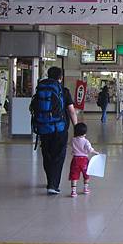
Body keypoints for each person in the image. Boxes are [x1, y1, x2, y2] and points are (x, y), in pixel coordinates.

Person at [37, 67, 78, 195]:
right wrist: (76, 127)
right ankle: (53, 185)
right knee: (58, 156)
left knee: (47, 154)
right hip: (60, 129)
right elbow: (71, 111)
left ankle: (50, 180)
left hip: (44, 128)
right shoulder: (63, 91)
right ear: (60, 78)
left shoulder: (40, 89)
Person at [69, 123, 98, 198]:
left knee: (74, 175)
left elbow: (71, 146)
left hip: (75, 160)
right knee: (86, 174)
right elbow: (90, 149)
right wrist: (96, 153)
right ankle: (85, 189)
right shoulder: (86, 141)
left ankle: (73, 191)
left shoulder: (73, 140)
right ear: (85, 133)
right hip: (84, 160)